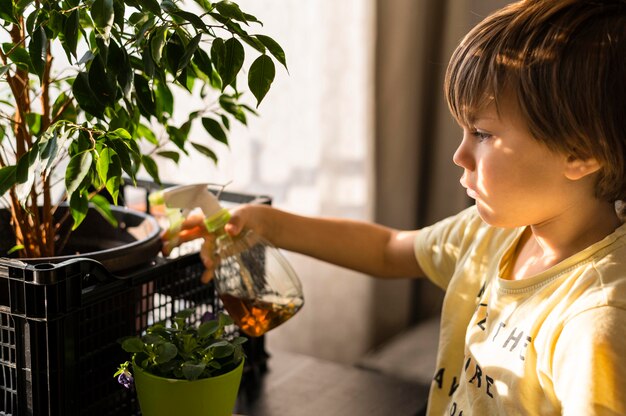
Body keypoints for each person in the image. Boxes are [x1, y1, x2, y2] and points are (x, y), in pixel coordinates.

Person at [165, 0, 626, 414]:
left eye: (483, 134)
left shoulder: (595, 322)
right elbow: (388, 250)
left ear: (582, 152)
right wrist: (266, 222)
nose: (459, 155)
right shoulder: (494, 233)